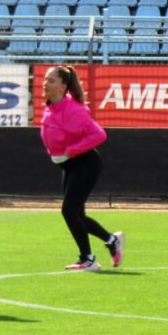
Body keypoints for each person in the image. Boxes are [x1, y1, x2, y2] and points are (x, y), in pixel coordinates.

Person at [40, 65, 124, 272]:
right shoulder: (51, 106)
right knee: (76, 215)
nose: (45, 83)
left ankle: (88, 259)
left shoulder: (73, 110)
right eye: (45, 79)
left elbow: (99, 135)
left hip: (85, 164)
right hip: (69, 165)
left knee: (69, 212)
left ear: (63, 87)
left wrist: (72, 150)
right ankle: (111, 241)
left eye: (51, 80)